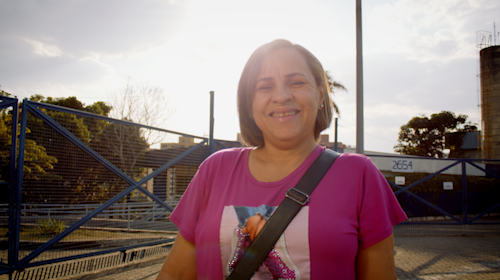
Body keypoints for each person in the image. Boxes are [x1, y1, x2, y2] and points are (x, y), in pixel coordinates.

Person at [156, 39, 407, 280]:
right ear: (250, 103)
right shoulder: (215, 169)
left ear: (320, 94)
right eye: (265, 87)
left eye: (296, 82)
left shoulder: (359, 174)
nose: (281, 96)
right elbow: (175, 274)